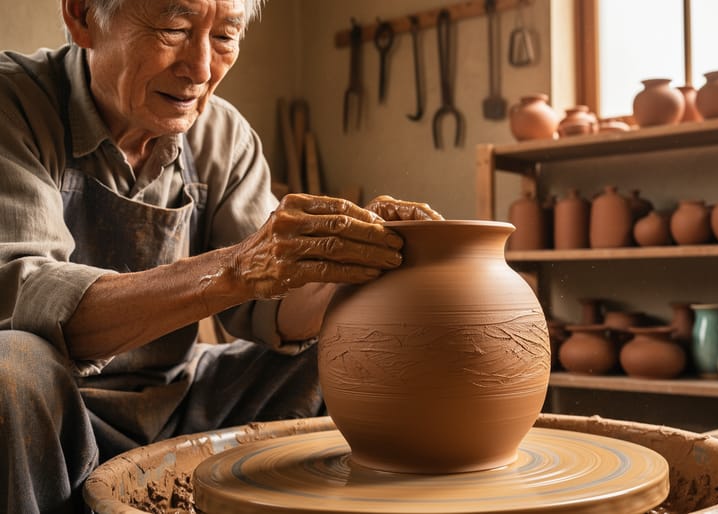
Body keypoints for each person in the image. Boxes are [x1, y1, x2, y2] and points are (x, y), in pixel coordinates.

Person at [0, 0, 443, 512]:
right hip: (55, 407)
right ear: (82, 18)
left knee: (347, 348)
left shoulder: (223, 134)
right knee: (13, 365)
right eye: (174, 28)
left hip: (177, 400)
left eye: (225, 37)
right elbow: (25, 295)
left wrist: (347, 266)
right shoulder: (15, 104)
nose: (202, 69)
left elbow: (272, 308)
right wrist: (233, 269)